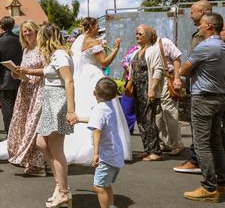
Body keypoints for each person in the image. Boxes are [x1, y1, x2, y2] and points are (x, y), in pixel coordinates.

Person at [17, 23, 77, 208]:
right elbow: (47, 72)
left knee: (56, 150)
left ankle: (64, 191)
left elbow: (69, 81)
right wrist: (25, 71)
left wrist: (70, 109)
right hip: (51, 98)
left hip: (58, 99)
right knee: (41, 143)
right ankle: (59, 186)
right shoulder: (54, 55)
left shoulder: (60, 55)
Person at [67, 17, 131, 165]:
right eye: (97, 26)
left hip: (82, 77)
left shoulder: (79, 40)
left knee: (83, 105)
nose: (98, 29)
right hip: (94, 75)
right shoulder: (94, 42)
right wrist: (116, 48)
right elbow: (104, 62)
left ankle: (79, 143)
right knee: (105, 107)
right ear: (91, 27)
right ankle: (104, 147)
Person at [179, 13, 225, 202]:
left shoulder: (205, 46)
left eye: (202, 24)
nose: (198, 26)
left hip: (203, 98)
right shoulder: (222, 46)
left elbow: (184, 69)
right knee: (216, 142)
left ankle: (208, 186)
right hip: (219, 97)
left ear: (209, 26)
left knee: (202, 144)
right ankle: (221, 183)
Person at [79, 78, 125, 208]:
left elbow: (97, 130)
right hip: (115, 154)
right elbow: (97, 121)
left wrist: (96, 153)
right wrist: (78, 119)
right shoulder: (108, 106)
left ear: (94, 93)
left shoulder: (99, 109)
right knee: (105, 186)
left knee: (98, 187)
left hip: (106, 155)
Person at [175, 0, 213, 174]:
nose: (190, 15)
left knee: (201, 128)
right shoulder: (198, 34)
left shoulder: (215, 34)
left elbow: (196, 62)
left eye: (193, 12)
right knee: (199, 127)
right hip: (198, 85)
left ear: (203, 12)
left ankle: (198, 162)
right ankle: (197, 159)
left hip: (206, 88)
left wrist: (182, 72)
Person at [6, 21, 46, 174]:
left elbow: (47, 70)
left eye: (29, 30)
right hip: (25, 90)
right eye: (24, 31)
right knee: (23, 124)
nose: (26, 33)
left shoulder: (42, 48)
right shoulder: (26, 50)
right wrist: (17, 73)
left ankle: (39, 165)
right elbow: (26, 72)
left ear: (36, 31)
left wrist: (27, 70)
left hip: (38, 90)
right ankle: (30, 160)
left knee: (34, 126)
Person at [129, 24, 165, 161]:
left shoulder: (153, 51)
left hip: (147, 89)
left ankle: (155, 151)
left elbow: (158, 70)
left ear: (149, 37)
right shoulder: (137, 51)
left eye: (140, 34)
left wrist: (152, 89)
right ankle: (147, 149)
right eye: (137, 34)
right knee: (141, 120)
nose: (137, 36)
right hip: (137, 90)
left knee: (149, 120)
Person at [0, 17, 23, 134]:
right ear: (13, 25)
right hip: (19, 76)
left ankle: (10, 133)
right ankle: (19, 132)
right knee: (18, 106)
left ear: (1, 26)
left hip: (4, 79)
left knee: (7, 108)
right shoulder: (20, 40)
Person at [155, 35, 185, 156]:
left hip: (167, 79)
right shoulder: (145, 46)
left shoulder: (164, 42)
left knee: (169, 111)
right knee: (157, 113)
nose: (137, 36)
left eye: (140, 33)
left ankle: (177, 144)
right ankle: (164, 143)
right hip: (155, 80)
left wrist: (177, 77)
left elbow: (177, 58)